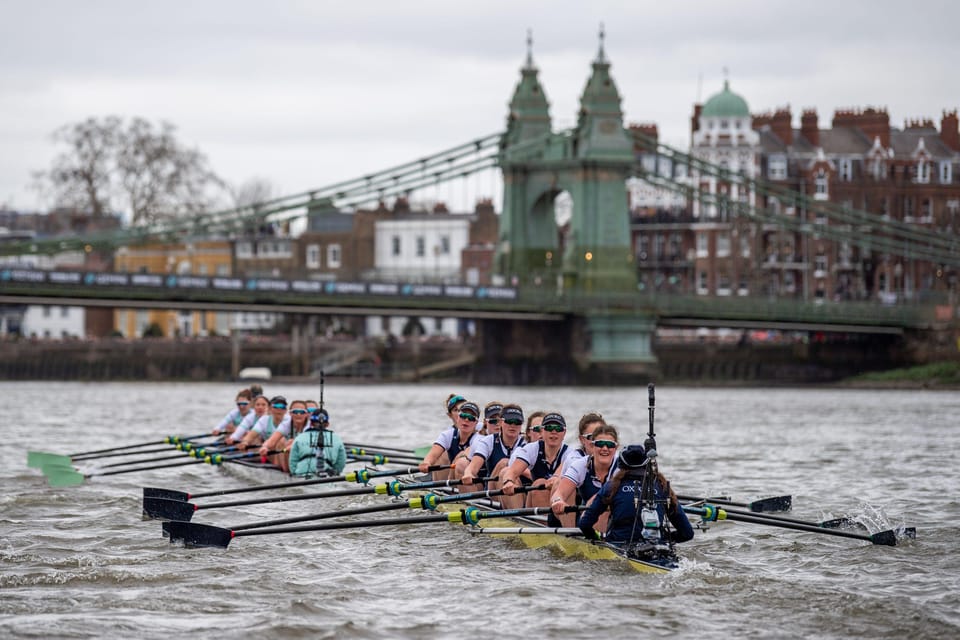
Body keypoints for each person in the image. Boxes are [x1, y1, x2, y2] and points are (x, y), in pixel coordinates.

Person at [579, 444, 694, 551]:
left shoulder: (611, 487)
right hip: (658, 548)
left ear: (621, 465)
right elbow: (687, 533)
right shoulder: (662, 486)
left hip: (619, 547)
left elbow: (584, 524)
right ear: (647, 464)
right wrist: (666, 539)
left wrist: (597, 539)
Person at [500, 412, 576, 510]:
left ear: (564, 432)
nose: (554, 432)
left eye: (558, 429)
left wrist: (556, 478)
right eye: (549, 428)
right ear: (542, 431)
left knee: (541, 483)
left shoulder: (571, 453)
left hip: (559, 506)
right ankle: (520, 519)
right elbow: (512, 471)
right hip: (534, 500)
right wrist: (508, 481)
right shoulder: (532, 449)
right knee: (506, 472)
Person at [550, 423, 620, 528]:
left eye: (609, 445)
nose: (605, 448)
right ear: (593, 445)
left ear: (616, 447)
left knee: (600, 499)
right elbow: (559, 492)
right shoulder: (580, 465)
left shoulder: (621, 467)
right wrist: (558, 501)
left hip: (616, 518)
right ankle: (572, 535)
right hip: (588, 516)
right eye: (600, 444)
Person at [460, 404, 525, 489]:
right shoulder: (488, 441)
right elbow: (473, 465)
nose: (513, 425)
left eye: (517, 422)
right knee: (504, 463)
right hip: (494, 490)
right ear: (501, 422)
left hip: (519, 490)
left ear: (522, 424)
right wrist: (469, 473)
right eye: (509, 421)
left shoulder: (527, 444)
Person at [418, 400, 481, 480]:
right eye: (463, 415)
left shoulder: (478, 438)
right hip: (451, 478)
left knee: (461, 458)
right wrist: (427, 462)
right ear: (458, 418)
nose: (466, 420)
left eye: (471, 418)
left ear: (476, 423)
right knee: (441, 454)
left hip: (472, 480)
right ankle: (439, 487)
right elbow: (433, 453)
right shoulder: (447, 434)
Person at [288, 407, 347, 476]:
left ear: (311, 423)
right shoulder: (337, 438)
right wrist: (335, 473)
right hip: (326, 475)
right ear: (327, 424)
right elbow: (341, 463)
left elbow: (292, 462)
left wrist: (294, 473)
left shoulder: (299, 438)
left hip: (301, 474)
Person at [258, 399, 311, 473]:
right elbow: (272, 440)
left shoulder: (310, 426)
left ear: (306, 414)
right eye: (295, 412)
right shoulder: (286, 424)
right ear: (290, 414)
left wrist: (293, 446)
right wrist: (265, 447)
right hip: (293, 455)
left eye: (302, 412)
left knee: (290, 443)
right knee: (281, 442)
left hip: (309, 454)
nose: (298, 415)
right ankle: (286, 473)